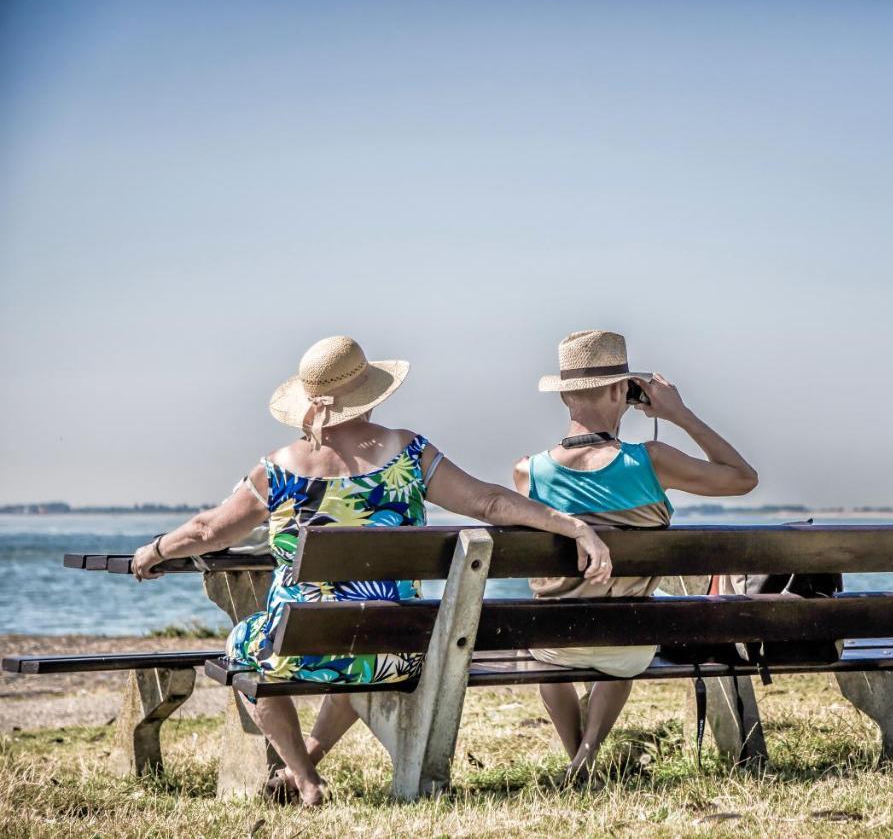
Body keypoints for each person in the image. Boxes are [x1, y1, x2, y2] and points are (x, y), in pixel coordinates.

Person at [131, 335, 612, 806]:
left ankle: (304, 776)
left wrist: (153, 550)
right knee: (359, 638)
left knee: (244, 646)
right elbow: (490, 501)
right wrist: (571, 526)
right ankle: (307, 764)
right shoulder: (410, 452)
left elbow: (207, 530)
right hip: (398, 650)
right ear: (368, 395)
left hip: (298, 652)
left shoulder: (278, 469)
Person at [514, 329, 757, 780]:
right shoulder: (653, 460)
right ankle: (587, 754)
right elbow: (743, 478)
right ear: (620, 391)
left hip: (554, 644)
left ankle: (577, 759)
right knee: (625, 634)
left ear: (566, 397)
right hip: (629, 642)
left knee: (541, 650)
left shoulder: (528, 472)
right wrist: (679, 414)